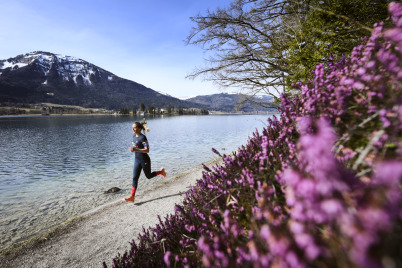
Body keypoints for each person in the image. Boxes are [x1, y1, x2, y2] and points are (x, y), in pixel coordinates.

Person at [124, 120, 166, 202]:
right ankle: (132, 197)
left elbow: (147, 150)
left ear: (139, 129)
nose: (133, 129)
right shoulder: (134, 136)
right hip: (137, 160)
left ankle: (161, 172)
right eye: (132, 128)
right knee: (134, 178)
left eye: (134, 128)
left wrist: (135, 149)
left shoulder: (143, 137)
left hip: (144, 160)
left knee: (148, 176)